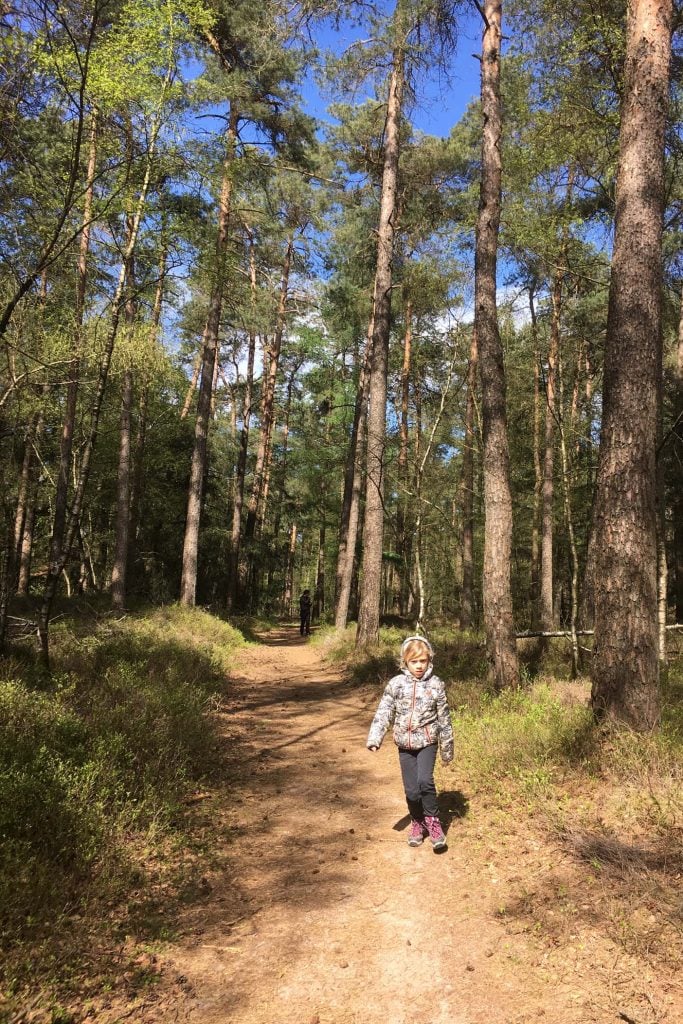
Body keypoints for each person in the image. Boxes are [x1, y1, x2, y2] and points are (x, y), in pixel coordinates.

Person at [366, 635, 454, 851]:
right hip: (404, 744)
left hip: (427, 741)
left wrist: (447, 750)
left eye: (422, 661)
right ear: (405, 661)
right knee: (412, 790)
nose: (419, 666)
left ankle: (434, 823)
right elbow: (384, 711)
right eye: (414, 662)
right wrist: (375, 737)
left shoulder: (436, 685)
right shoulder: (396, 684)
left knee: (425, 781)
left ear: (429, 660)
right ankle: (417, 822)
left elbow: (444, 718)